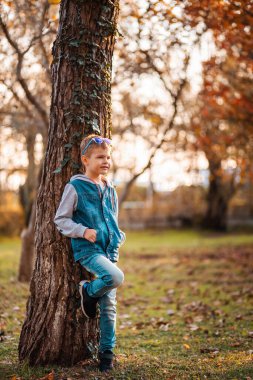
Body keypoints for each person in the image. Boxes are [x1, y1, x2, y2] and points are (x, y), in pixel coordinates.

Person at [54, 134, 126, 372]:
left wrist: (116, 240)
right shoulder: (75, 187)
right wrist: (83, 231)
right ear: (85, 160)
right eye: (99, 157)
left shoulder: (110, 188)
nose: (105, 161)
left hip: (108, 249)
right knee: (116, 278)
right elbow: (61, 219)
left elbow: (112, 219)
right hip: (88, 250)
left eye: (108, 157)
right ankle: (87, 289)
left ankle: (107, 355)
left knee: (109, 307)